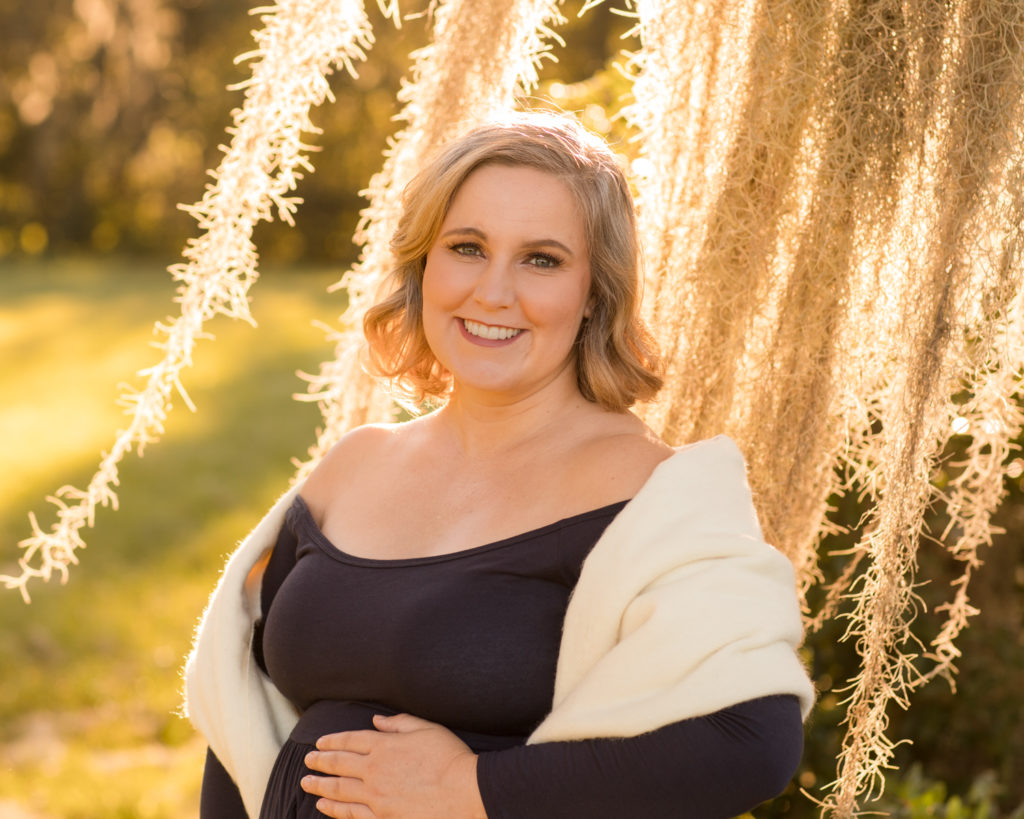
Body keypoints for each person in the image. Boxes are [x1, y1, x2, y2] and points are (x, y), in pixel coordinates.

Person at [183, 110, 815, 819]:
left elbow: (749, 740)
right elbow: (241, 719)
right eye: (467, 247)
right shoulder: (353, 467)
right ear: (425, 264)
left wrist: (471, 790)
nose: (493, 291)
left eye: (541, 259)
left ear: (593, 295)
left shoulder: (658, 495)